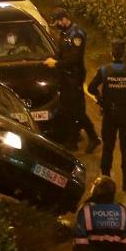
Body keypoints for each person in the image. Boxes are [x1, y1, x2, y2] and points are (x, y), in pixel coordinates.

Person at [87, 41, 126, 191]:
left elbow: (91, 87)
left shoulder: (104, 70)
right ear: (123, 53)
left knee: (108, 148)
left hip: (109, 114)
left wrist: (100, 99)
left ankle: (105, 180)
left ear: (111, 53)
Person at [46, 9, 99, 153]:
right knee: (69, 109)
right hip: (66, 76)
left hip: (74, 77)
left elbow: (74, 58)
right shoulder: (65, 33)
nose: (56, 25)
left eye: (57, 22)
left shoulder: (76, 35)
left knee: (77, 109)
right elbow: (61, 53)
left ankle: (92, 137)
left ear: (64, 19)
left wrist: (56, 64)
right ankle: (73, 139)